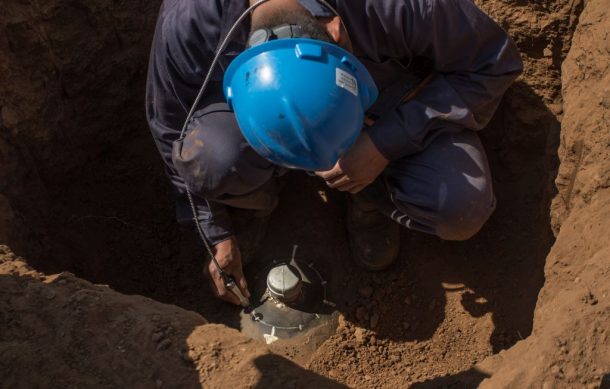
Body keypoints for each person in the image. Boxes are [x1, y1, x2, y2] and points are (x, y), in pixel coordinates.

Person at [146, 0, 523, 305]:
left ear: (337, 31)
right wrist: (215, 233)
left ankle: (371, 198)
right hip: (265, 113)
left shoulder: (400, 7)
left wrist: (385, 142)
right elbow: (169, 126)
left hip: (388, 92)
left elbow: (494, 64)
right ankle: (256, 202)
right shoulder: (190, 21)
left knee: (460, 204)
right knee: (210, 157)